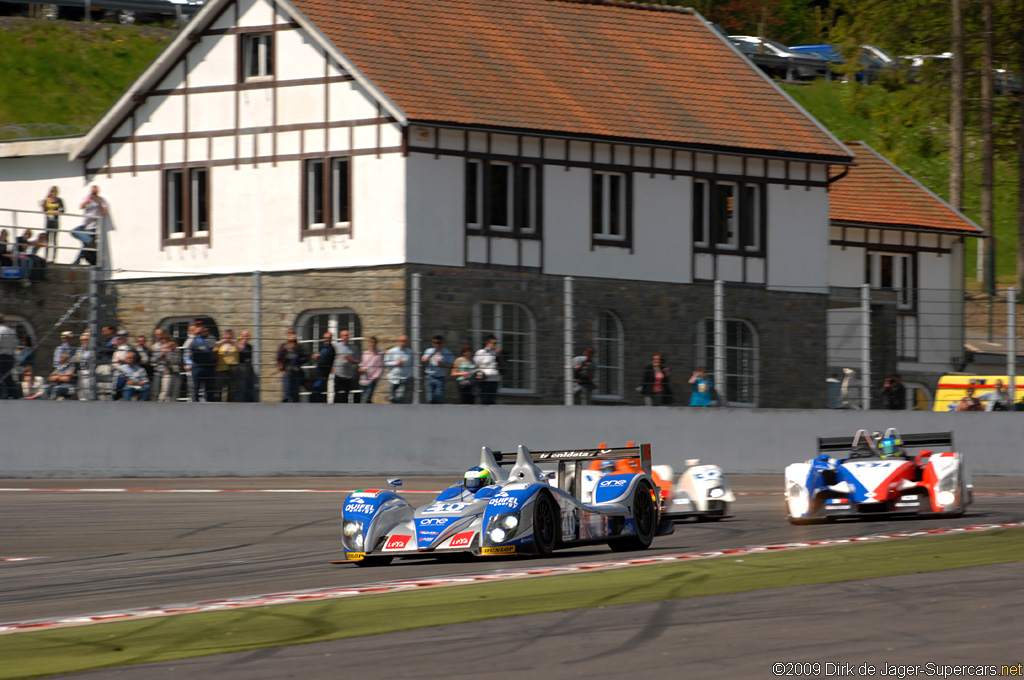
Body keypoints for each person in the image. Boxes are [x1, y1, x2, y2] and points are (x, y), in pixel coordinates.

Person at [71, 185, 107, 265]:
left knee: (85, 245)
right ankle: (88, 241)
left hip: (92, 226)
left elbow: (104, 211)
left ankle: (77, 260)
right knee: (73, 232)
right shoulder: (87, 198)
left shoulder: (101, 200)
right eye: (92, 192)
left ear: (98, 192)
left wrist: (98, 202)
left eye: (95, 192)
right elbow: (81, 206)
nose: (94, 194)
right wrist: (88, 200)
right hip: (84, 225)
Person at [188, 321, 216, 402]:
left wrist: (207, 333)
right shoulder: (192, 338)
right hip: (197, 366)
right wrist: (195, 334)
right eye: (198, 327)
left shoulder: (209, 338)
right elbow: (187, 346)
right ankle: (195, 404)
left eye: (201, 327)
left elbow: (214, 345)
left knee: (209, 388)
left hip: (208, 366)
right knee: (196, 387)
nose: (200, 329)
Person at [421, 335, 454, 404]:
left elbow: (452, 365)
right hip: (429, 377)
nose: (437, 344)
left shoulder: (447, 352)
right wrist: (431, 355)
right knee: (430, 399)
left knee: (439, 398)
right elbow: (423, 360)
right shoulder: (429, 351)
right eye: (434, 343)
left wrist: (443, 365)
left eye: (438, 343)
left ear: (442, 343)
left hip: (440, 378)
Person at [212, 329, 241, 402]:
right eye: (227, 334)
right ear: (224, 335)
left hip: (232, 369)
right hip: (221, 369)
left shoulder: (235, 345)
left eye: (230, 335)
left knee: (232, 389)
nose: (229, 336)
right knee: (219, 389)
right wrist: (219, 344)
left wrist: (234, 343)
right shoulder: (220, 344)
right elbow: (214, 354)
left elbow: (240, 350)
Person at [383, 334, 413, 404]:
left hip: (404, 378)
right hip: (393, 378)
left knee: (400, 397)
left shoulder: (410, 352)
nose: (403, 343)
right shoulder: (392, 351)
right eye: (402, 341)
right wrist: (396, 363)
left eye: (405, 341)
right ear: (398, 342)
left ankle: (399, 412)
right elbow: (385, 363)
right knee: (392, 398)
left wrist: (410, 374)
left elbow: (411, 364)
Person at [276, 337, 307, 403]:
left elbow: (305, 358)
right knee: (287, 393)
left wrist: (298, 358)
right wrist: (281, 368)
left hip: (296, 373)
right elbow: (279, 359)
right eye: (291, 342)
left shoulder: (299, 350)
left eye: (294, 342)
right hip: (288, 373)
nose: (292, 344)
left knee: (295, 394)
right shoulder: (284, 349)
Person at [332, 329, 360, 404]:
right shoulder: (336, 346)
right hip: (338, 373)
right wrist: (331, 368)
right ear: (341, 337)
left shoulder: (354, 348)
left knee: (346, 395)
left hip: (349, 375)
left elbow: (357, 361)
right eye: (344, 335)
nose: (346, 337)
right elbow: (330, 357)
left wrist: (350, 359)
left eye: (347, 335)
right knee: (337, 394)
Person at [473, 336, 502, 405]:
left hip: (495, 379)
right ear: (488, 343)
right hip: (485, 379)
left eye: (496, 343)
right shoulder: (481, 352)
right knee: (485, 400)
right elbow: (477, 364)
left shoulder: (496, 353)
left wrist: (499, 355)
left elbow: (501, 364)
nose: (494, 345)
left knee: (492, 400)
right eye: (493, 343)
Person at [39, 186, 64, 263]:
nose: (54, 194)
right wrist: (42, 206)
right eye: (52, 192)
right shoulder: (46, 200)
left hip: (55, 221)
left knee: (54, 239)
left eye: (55, 193)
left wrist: (57, 212)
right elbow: (44, 210)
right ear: (50, 193)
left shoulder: (59, 200)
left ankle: (53, 258)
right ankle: (46, 257)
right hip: (48, 220)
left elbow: (63, 210)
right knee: (47, 239)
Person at [310, 331, 335, 403]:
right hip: (318, 373)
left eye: (328, 338)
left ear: (331, 339)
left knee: (317, 389)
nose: (327, 339)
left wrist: (318, 357)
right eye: (325, 338)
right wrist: (314, 357)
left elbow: (326, 360)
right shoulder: (322, 348)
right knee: (315, 390)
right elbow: (315, 359)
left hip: (324, 373)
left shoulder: (331, 349)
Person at [0, 314, 21, 400]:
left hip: (1, 356)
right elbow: (15, 344)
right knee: (8, 377)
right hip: (10, 357)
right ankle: (14, 395)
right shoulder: (11, 331)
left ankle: (3, 395)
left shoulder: (0, 330)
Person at [358, 335, 383, 403]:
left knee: (366, 398)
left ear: (376, 343)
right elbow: (362, 364)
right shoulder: (365, 353)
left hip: (372, 379)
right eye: (371, 342)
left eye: (374, 342)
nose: (372, 344)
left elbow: (380, 367)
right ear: (369, 343)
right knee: (365, 399)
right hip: (363, 378)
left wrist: (376, 376)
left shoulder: (380, 354)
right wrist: (361, 369)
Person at [237, 329, 257, 402]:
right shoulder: (237, 346)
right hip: (240, 369)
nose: (245, 338)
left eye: (247, 336)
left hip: (249, 369)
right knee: (241, 387)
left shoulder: (249, 347)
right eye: (243, 336)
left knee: (250, 387)